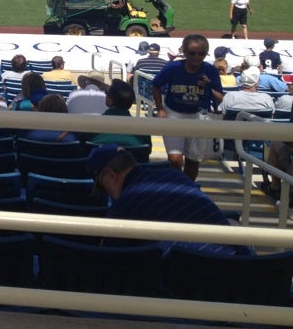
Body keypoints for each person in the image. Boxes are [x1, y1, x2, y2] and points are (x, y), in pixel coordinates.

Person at [88, 144, 247, 255]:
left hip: (198, 286)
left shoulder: (126, 202)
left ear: (111, 175)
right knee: (233, 223)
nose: (107, 194)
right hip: (245, 266)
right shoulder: (177, 176)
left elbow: (111, 253)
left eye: (102, 187)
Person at [151, 33, 224, 180]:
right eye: (192, 53)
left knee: (193, 160)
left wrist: (208, 85)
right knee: (175, 159)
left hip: (198, 116)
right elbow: (155, 85)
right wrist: (160, 109)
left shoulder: (210, 70)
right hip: (173, 113)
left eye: (201, 53)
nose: (196, 57)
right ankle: (178, 184)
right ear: (184, 52)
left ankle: (187, 188)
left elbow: (220, 98)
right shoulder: (173, 67)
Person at [88, 79, 152, 148]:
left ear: (109, 101)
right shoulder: (143, 129)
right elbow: (147, 151)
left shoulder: (91, 124)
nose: (105, 95)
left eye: (107, 93)